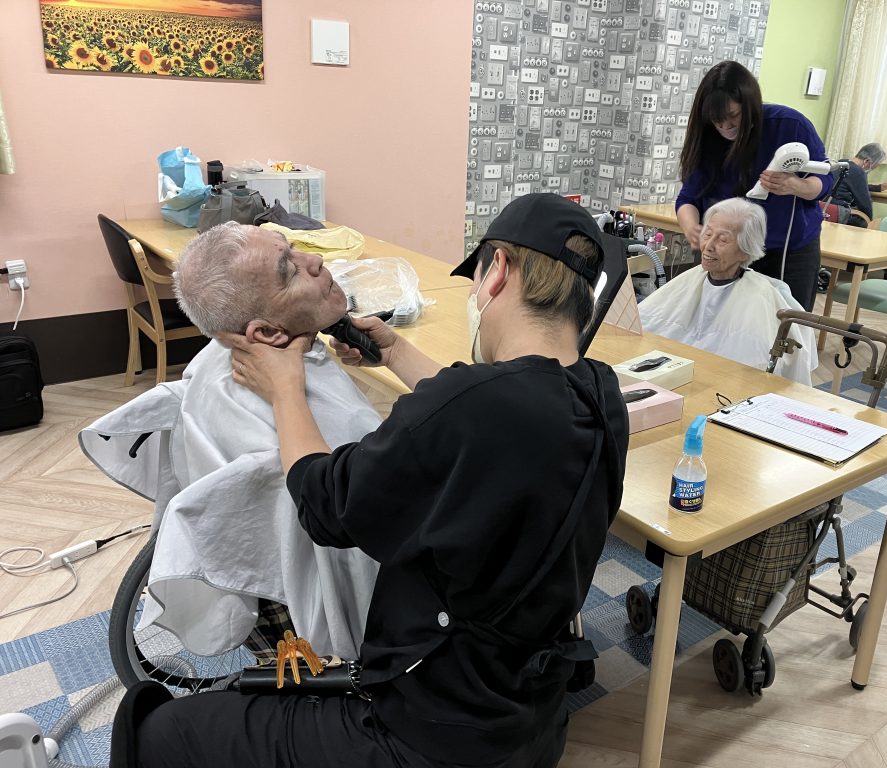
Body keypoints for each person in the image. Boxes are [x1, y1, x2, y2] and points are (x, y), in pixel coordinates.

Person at [110, 194, 630, 768]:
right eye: (289, 260)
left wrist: (284, 390)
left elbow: (324, 503)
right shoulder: (602, 393)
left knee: (155, 728)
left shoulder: (464, 408)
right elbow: (494, 408)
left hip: (431, 731)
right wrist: (397, 351)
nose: (313, 259)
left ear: (498, 270)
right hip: (531, 712)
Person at [82, 222, 382, 663]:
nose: (315, 261)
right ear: (267, 334)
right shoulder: (290, 422)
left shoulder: (218, 359)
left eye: (292, 248)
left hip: (261, 590)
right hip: (315, 623)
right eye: (289, 270)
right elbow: (365, 513)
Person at [675, 60, 832, 312]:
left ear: (749, 105)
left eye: (733, 117)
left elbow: (824, 181)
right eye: (717, 120)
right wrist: (692, 228)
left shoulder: (789, 126)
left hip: (788, 252)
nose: (725, 127)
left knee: (785, 326)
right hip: (727, 252)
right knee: (718, 322)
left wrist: (795, 186)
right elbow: (688, 199)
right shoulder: (707, 137)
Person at [639, 198, 817, 384]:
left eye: (722, 240)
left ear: (745, 251)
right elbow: (645, 322)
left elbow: (758, 367)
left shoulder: (760, 298)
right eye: (707, 234)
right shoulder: (689, 280)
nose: (708, 246)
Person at [827, 142, 887, 227]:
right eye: (874, 166)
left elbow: (854, 186)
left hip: (825, 208)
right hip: (838, 213)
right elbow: (865, 204)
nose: (872, 169)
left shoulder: (842, 163)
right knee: (866, 221)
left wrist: (879, 187)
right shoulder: (858, 172)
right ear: (867, 161)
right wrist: (870, 224)